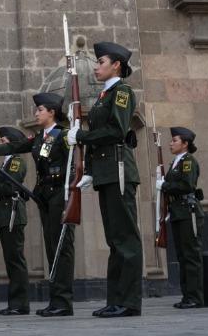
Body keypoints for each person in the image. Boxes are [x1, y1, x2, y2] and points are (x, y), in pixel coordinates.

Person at [0, 93, 75, 317]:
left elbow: (74, 163)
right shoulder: (40, 138)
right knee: (51, 247)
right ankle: (56, 300)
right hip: (45, 197)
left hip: (60, 195)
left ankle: (63, 302)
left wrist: (74, 189)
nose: (36, 113)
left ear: (52, 112)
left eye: (40, 110)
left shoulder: (63, 135)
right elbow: (14, 147)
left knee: (61, 247)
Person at [66, 41, 142, 318]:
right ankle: (115, 300)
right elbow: (100, 137)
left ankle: (129, 302)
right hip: (106, 173)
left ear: (116, 65)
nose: (96, 67)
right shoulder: (103, 95)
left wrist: (82, 136)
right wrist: (89, 170)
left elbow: (116, 130)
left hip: (119, 171)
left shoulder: (122, 92)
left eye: (101, 62)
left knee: (126, 239)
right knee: (114, 239)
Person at [0, 127, 30, 315]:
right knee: (11, 261)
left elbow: (10, 188)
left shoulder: (16, 162)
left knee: (16, 260)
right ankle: (14, 303)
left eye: (3, 142)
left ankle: (20, 304)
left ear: (12, 143)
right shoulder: (5, 163)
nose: (0, 145)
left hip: (13, 214)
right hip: (4, 215)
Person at [156, 127, 204, 309]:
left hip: (187, 212)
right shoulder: (176, 162)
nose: (170, 143)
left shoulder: (188, 161)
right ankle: (187, 296)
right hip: (177, 212)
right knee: (183, 256)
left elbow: (186, 185)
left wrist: (165, 185)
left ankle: (195, 297)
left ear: (185, 144)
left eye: (174, 140)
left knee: (191, 255)